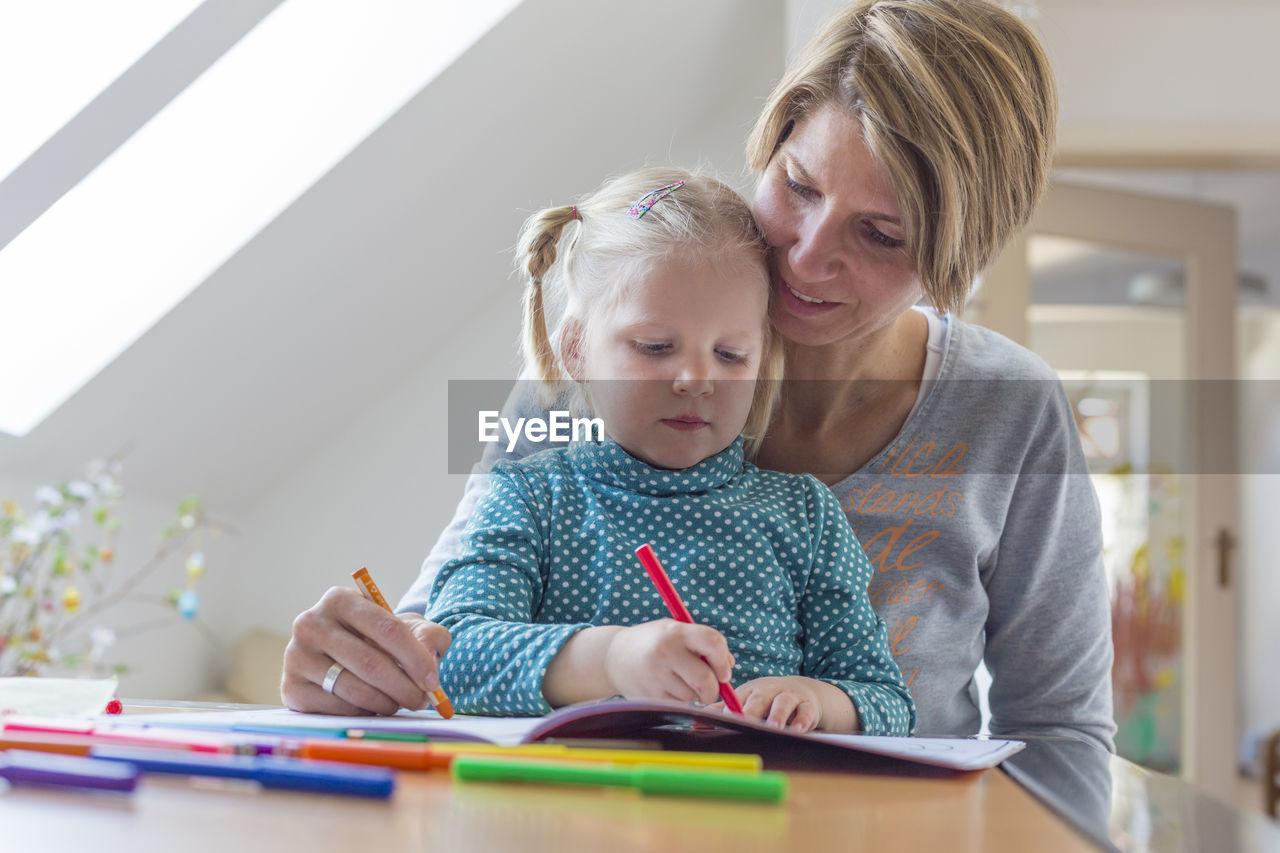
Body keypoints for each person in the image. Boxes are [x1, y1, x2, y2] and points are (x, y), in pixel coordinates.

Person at [282, 0, 1115, 750]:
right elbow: (443, 636)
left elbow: (1060, 727)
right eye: (798, 185)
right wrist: (356, 665)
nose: (808, 253)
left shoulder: (1009, 409)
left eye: (881, 234)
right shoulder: (589, 382)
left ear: (955, 255)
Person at [425, 168, 913, 734]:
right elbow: (451, 655)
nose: (697, 379)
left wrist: (817, 700)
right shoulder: (531, 498)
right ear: (578, 348)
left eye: (731, 355)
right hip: (570, 806)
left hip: (757, 806)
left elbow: (887, 700)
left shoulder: (804, 516)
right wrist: (609, 660)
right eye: (655, 347)